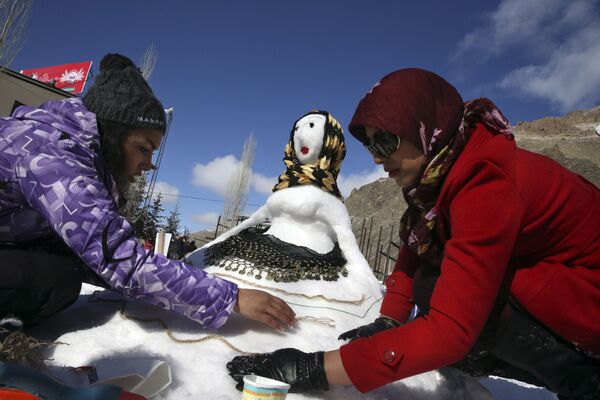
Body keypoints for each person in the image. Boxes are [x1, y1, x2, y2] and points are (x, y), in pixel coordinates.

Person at [227, 68, 600, 399]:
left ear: (425, 130)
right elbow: (414, 251)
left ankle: (580, 381)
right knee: (435, 285)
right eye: (370, 145)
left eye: (385, 141)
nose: (375, 157)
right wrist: (389, 321)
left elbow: (452, 328)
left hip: (586, 297)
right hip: (563, 289)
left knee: (462, 304)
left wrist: (312, 369)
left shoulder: (485, 183)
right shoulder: (441, 177)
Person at [0, 53, 295, 338]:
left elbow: (96, 255)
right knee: (53, 279)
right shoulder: (53, 158)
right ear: (112, 135)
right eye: (143, 148)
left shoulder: (67, 149)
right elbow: (118, 259)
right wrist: (232, 298)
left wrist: (179, 278)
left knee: (65, 264)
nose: (149, 164)